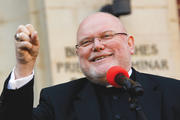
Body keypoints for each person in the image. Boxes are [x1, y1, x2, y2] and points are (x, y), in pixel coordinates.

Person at [0, 12, 180, 120]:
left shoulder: (173, 93)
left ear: (130, 44)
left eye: (107, 36)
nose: (97, 45)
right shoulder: (57, 100)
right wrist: (24, 65)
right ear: (78, 53)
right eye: (86, 42)